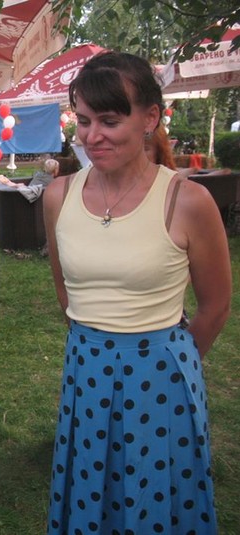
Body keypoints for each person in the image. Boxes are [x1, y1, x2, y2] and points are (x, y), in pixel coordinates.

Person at [43, 51, 231, 534]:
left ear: (150, 119)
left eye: (110, 121)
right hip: (85, 371)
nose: (92, 136)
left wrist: (164, 360)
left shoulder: (187, 201)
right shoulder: (58, 196)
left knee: (155, 498)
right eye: (84, 120)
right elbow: (67, 293)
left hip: (162, 379)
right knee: (93, 493)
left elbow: (215, 306)